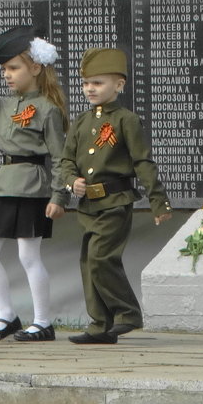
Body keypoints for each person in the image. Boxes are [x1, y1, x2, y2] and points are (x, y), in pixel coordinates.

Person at [0, 26, 71, 342]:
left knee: (28, 256)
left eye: (14, 68)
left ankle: (42, 321)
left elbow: (61, 157)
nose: (7, 75)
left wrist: (59, 196)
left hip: (33, 186)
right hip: (1, 184)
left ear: (35, 68)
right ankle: (7, 315)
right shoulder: (3, 105)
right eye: (4, 69)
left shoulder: (48, 109)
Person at [57, 48, 172, 344]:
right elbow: (66, 160)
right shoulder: (81, 122)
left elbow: (142, 162)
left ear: (119, 85)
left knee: (100, 258)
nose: (90, 89)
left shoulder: (126, 120)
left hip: (115, 202)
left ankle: (127, 312)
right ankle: (100, 326)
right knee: (88, 262)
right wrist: (72, 182)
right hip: (88, 205)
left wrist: (158, 200)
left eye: (98, 83)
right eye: (86, 84)